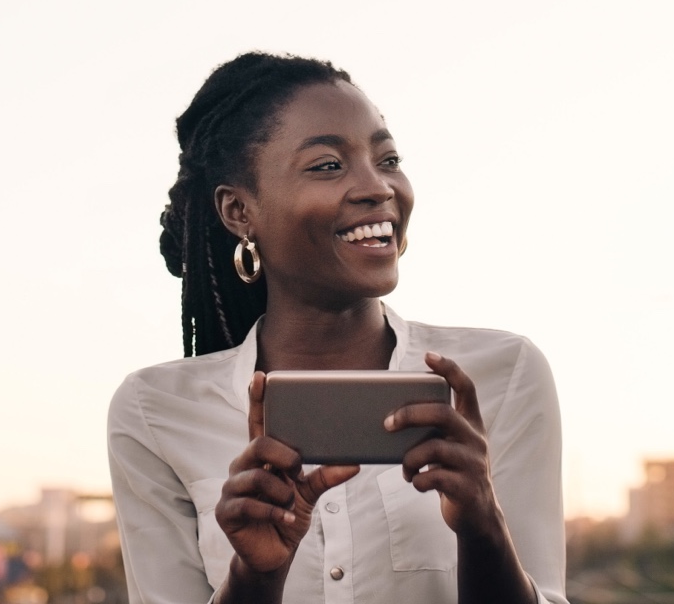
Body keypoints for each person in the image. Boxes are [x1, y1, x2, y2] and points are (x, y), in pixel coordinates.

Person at [106, 52, 564, 604]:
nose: (379, 187)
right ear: (239, 211)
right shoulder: (154, 411)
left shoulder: (504, 375)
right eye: (327, 165)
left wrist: (484, 525)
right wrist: (255, 578)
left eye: (388, 159)